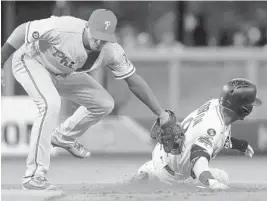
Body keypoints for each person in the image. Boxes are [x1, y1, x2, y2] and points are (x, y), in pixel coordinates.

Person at [1, 9, 171, 190]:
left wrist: (160, 113)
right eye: (96, 35)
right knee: (50, 104)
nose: (98, 42)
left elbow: (133, 81)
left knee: (104, 103)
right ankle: (34, 176)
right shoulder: (63, 27)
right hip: (31, 62)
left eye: (104, 38)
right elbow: (22, 30)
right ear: (87, 26)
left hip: (62, 73)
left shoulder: (112, 51)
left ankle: (63, 136)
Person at [135, 78, 261, 189]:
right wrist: (211, 183)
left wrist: (240, 144)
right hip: (173, 175)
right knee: (222, 178)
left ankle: (150, 169)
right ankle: (155, 174)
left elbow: (216, 137)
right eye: (251, 104)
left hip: (163, 153)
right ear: (244, 110)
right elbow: (198, 159)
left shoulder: (216, 104)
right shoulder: (213, 127)